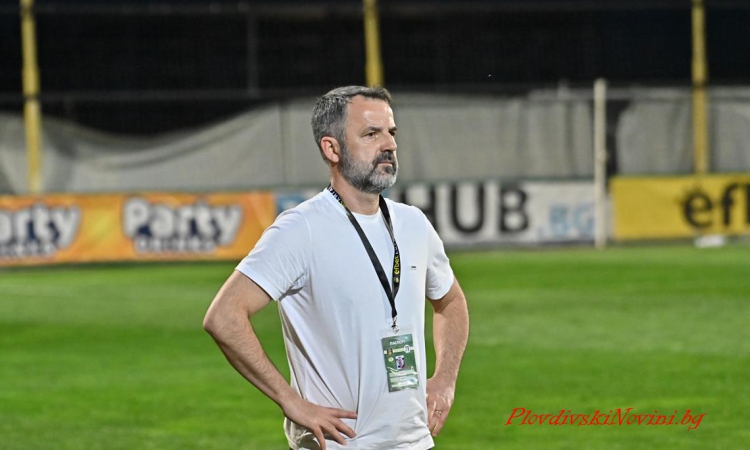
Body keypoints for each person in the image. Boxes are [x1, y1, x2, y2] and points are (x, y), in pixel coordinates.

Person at [203, 86, 469, 450]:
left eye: (391, 132)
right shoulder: (302, 229)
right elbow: (223, 316)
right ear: (332, 148)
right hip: (340, 443)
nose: (389, 145)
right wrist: (290, 401)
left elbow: (451, 301)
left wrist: (445, 379)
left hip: (414, 441)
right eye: (371, 134)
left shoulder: (413, 223)